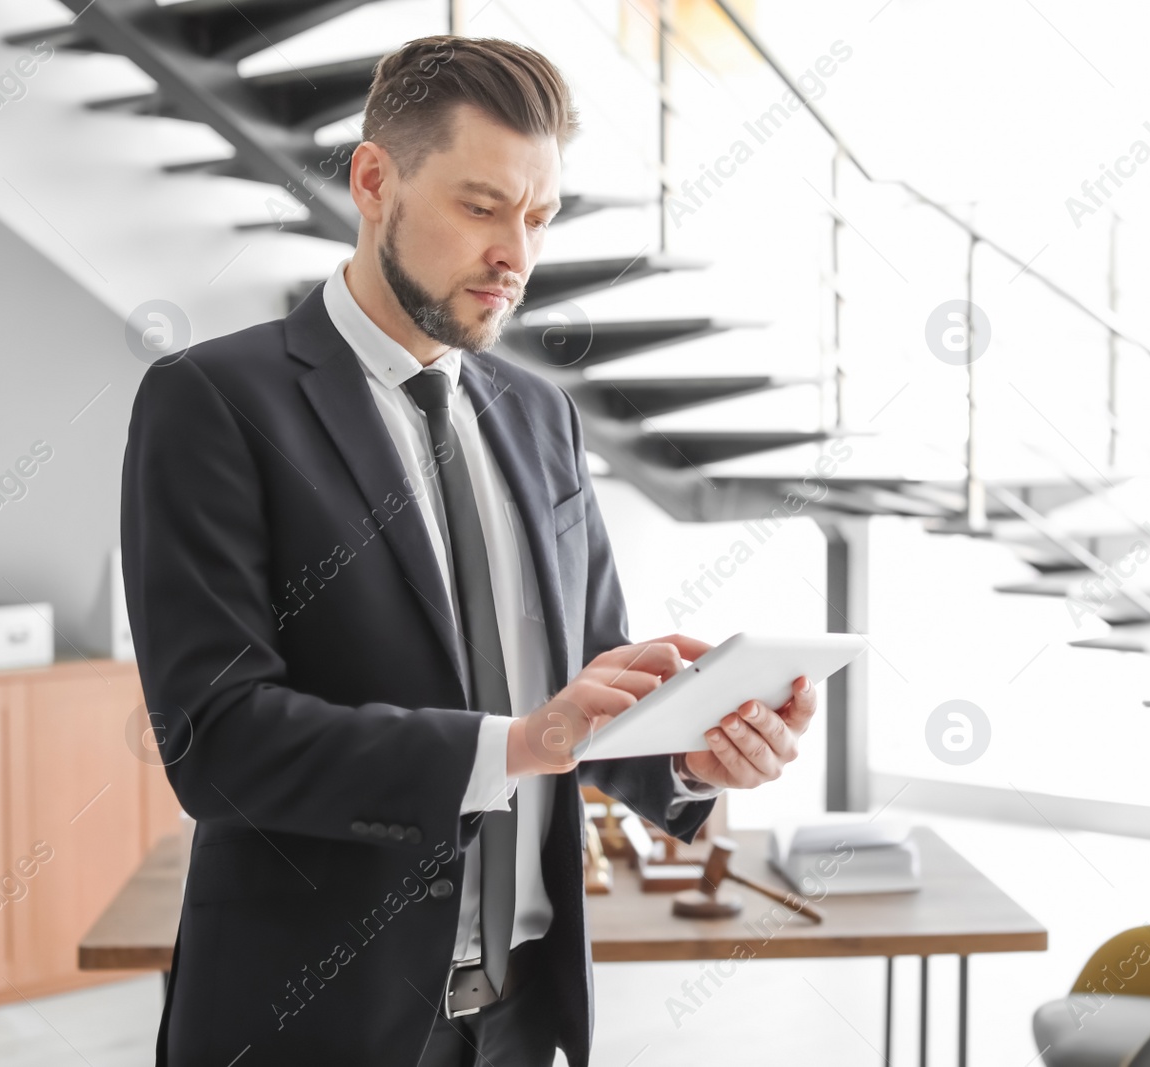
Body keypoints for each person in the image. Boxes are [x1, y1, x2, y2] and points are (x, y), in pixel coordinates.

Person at [120, 35, 816, 1067]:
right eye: (481, 207)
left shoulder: (542, 417)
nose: (516, 256)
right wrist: (517, 744)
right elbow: (219, 741)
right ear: (373, 180)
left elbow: (589, 684)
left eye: (538, 218)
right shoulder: (215, 402)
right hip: (312, 1022)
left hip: (521, 1018)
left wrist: (685, 750)